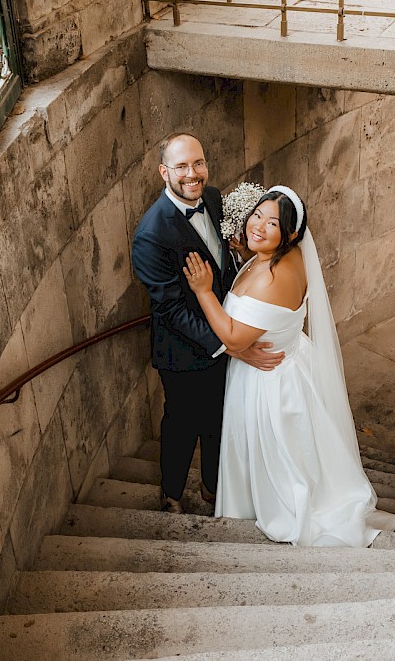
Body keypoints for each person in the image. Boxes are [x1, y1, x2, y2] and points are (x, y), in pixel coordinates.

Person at [183, 186, 395, 546]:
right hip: (285, 367)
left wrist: (204, 291)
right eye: (257, 215)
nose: (258, 226)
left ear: (292, 234)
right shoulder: (283, 257)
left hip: (266, 385)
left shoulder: (274, 279)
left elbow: (236, 339)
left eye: (272, 224)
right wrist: (244, 255)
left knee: (280, 461)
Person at [131, 133, 284, 514]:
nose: (192, 174)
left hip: (225, 330)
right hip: (183, 355)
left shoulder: (213, 198)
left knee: (220, 421)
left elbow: (220, 266)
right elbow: (170, 311)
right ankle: (172, 495)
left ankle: (214, 489)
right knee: (182, 429)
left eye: (198, 163)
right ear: (164, 172)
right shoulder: (151, 236)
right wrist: (231, 345)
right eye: (181, 166)